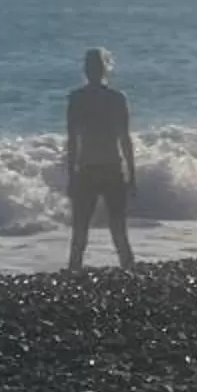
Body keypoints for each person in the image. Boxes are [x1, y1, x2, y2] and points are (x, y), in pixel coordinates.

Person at [63, 46, 136, 268]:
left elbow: (124, 138)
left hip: (99, 169)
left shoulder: (79, 98)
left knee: (101, 231)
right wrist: (131, 173)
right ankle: (128, 272)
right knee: (90, 232)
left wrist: (132, 173)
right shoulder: (114, 98)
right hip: (101, 168)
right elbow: (73, 140)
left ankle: (74, 277)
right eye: (90, 67)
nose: (92, 70)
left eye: (94, 66)